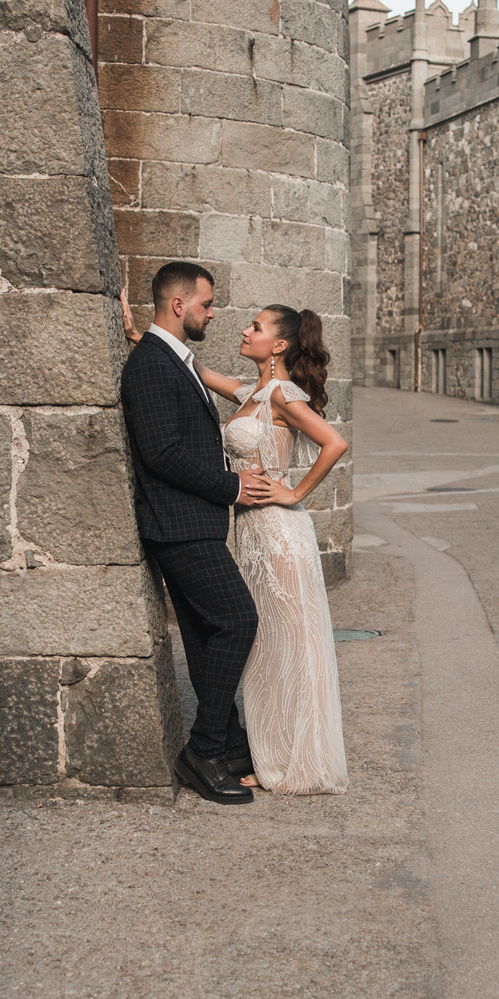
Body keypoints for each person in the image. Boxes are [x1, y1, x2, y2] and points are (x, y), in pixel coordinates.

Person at [121, 285, 351, 795]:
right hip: (248, 535)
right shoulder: (250, 391)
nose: (244, 330)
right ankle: (261, 748)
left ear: (279, 347)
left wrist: (294, 493)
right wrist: (141, 337)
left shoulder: (281, 395)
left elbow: (335, 443)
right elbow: (189, 369)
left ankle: (292, 757)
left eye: (256, 326)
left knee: (288, 645)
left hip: (279, 534)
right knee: (263, 647)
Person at [120, 262, 282, 804]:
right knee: (238, 620)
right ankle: (204, 749)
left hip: (193, 521)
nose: (214, 313)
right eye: (207, 304)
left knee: (204, 633)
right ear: (178, 305)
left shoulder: (169, 357)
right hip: (180, 523)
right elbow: (162, 453)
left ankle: (230, 742)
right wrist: (231, 486)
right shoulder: (151, 365)